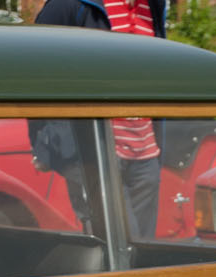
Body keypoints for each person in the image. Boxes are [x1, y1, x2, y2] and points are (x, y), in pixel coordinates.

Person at [33, 0, 165, 242]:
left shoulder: (153, 6)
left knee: (146, 251)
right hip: (96, 153)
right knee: (119, 248)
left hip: (146, 154)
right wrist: (46, 141)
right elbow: (33, 63)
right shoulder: (70, 5)